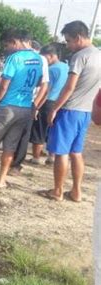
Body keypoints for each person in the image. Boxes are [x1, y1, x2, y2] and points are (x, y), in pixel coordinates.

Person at [0, 29, 43, 188]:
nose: (6, 48)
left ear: (15, 41)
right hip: (24, 108)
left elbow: (4, 85)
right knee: (10, 146)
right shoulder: (37, 58)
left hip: (6, 107)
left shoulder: (14, 58)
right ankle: (1, 180)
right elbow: (39, 83)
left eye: (7, 44)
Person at [40, 20, 101, 202]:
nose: (67, 45)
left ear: (78, 38)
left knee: (61, 152)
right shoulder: (99, 55)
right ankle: (76, 192)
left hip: (69, 110)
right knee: (76, 152)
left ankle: (57, 191)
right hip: (84, 112)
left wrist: (54, 109)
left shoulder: (79, 56)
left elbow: (69, 87)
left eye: (68, 41)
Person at [9, 37, 49, 175]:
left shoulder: (40, 60)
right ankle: (10, 162)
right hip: (16, 100)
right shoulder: (17, 57)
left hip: (28, 101)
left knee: (24, 134)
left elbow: (44, 84)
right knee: (14, 132)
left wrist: (35, 104)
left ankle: (16, 164)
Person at [31, 45, 69, 164]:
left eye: (45, 58)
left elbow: (46, 90)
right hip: (60, 103)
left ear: (51, 56)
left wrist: (36, 107)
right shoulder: (67, 67)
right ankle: (51, 157)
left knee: (39, 130)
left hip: (48, 102)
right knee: (53, 130)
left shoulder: (51, 70)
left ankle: (36, 157)